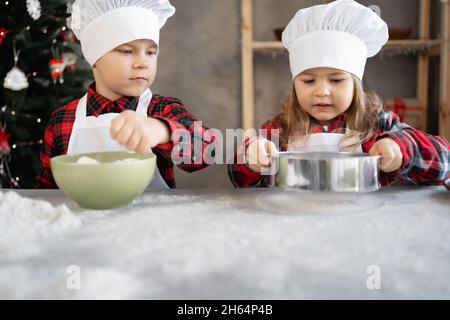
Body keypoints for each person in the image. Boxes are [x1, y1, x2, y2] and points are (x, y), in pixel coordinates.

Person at [228, 0, 449, 188]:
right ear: (294, 85)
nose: (322, 91)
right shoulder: (279, 130)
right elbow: (238, 178)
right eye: (308, 80)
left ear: (355, 84)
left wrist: (402, 149)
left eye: (336, 80)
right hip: (295, 225)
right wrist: (250, 158)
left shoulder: (377, 126)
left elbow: (444, 161)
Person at [36, 0, 215, 189]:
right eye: (127, 51)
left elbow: (207, 151)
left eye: (151, 52)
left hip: (151, 219)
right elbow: (48, 190)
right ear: (94, 57)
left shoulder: (162, 109)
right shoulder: (62, 121)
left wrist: (161, 130)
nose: (143, 63)